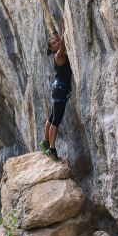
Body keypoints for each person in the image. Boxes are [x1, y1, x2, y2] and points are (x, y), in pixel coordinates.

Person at [39, 17, 72, 161]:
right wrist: (66, 27)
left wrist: (54, 30)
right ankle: (52, 149)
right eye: (53, 43)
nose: (56, 42)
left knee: (52, 117)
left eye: (56, 41)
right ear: (52, 49)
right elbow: (63, 43)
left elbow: (60, 41)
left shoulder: (57, 53)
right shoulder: (59, 55)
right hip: (60, 90)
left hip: (57, 88)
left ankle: (45, 142)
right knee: (56, 121)